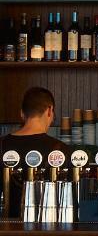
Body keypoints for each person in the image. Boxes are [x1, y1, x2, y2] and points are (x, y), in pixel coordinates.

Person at [1, 87, 69, 218]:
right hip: (46, 230)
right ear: (49, 111)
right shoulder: (60, 150)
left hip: (5, 230)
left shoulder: (2, 144)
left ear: (22, 113)